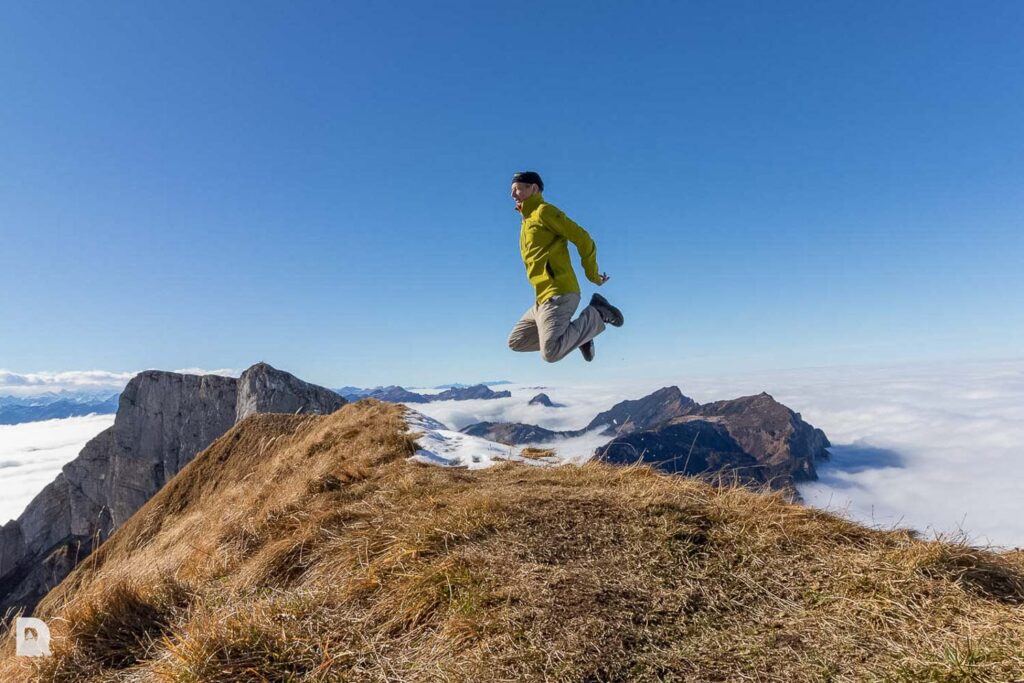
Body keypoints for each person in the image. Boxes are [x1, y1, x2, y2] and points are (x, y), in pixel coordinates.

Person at [506, 171, 623, 363]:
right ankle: (581, 334)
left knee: (551, 353)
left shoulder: (544, 212)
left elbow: (583, 239)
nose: (512, 194)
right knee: (516, 341)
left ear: (533, 188)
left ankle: (598, 313)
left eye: (517, 189)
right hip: (542, 299)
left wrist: (593, 275)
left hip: (560, 293)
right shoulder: (526, 221)